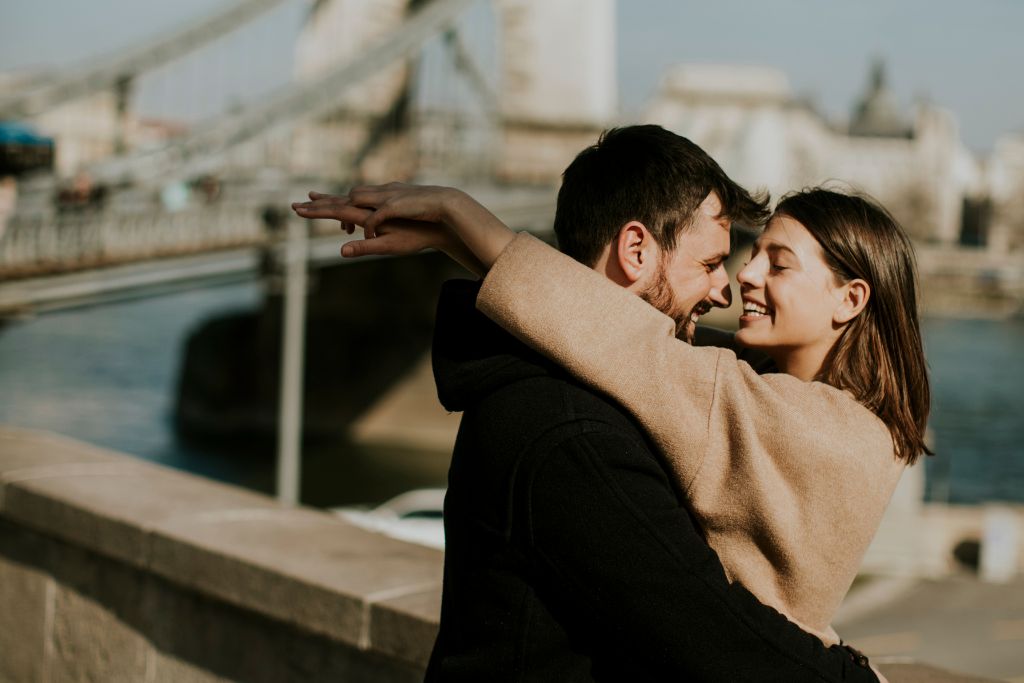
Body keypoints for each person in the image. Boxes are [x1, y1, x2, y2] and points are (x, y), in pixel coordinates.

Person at [294, 126, 885, 681]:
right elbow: (717, 639)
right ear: (635, 250)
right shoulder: (573, 434)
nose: (726, 288)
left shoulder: (585, 392)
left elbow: (617, 337)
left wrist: (470, 240)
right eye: (710, 264)